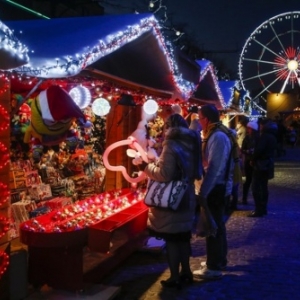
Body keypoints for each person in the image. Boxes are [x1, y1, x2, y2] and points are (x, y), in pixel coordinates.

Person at [142, 113, 203, 289]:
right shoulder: (193, 141)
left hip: (173, 198)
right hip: (188, 194)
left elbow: (164, 174)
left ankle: (174, 276)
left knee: (172, 240)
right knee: (183, 237)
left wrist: (146, 167)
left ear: (169, 127)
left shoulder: (171, 143)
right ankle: (186, 272)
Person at [193, 104, 235, 280]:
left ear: (207, 119)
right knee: (217, 226)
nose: (199, 122)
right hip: (218, 187)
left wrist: (204, 191)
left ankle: (214, 267)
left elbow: (215, 168)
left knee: (212, 228)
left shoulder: (217, 137)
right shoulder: (218, 134)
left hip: (215, 189)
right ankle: (218, 260)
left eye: (200, 118)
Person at [248, 118, 278, 217]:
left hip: (261, 164)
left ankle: (259, 209)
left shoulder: (265, 136)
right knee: (264, 187)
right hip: (268, 164)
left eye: (260, 125)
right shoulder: (272, 136)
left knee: (256, 187)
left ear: (263, 126)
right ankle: (263, 208)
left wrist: (252, 159)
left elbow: (259, 150)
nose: (259, 127)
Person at [240, 120, 259, 205]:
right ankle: (244, 198)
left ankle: (257, 199)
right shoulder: (247, 138)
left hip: (256, 162)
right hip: (248, 161)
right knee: (248, 181)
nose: (248, 130)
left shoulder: (258, 138)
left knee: (255, 182)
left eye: (250, 128)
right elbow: (243, 150)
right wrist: (248, 151)